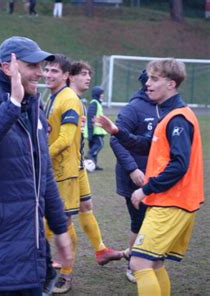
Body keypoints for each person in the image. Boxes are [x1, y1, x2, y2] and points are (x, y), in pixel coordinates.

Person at [0, 36, 72, 295]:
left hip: (30, 245)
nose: (40, 73)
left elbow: (43, 173)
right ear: (7, 67)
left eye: (42, 66)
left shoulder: (34, 108)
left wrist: (59, 228)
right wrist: (11, 105)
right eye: (32, 65)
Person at [95, 58, 204, 296]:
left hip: (173, 202)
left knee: (140, 263)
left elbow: (179, 165)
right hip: (171, 202)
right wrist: (117, 131)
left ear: (172, 84)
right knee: (154, 263)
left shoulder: (178, 118)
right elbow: (148, 146)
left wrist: (146, 189)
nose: (148, 84)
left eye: (155, 79)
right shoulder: (170, 116)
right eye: (149, 79)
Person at [43, 57, 122, 294]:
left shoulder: (67, 99)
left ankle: (65, 274)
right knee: (70, 214)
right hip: (67, 168)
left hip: (65, 170)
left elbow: (65, 140)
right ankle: (92, 251)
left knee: (65, 220)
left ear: (65, 74)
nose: (47, 74)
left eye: (53, 71)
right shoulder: (55, 96)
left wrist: (40, 157)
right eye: (46, 70)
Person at [109, 70, 157, 283]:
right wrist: (132, 169)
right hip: (136, 177)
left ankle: (149, 260)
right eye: (152, 79)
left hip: (159, 177)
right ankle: (133, 265)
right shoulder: (134, 108)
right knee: (139, 222)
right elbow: (116, 139)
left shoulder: (168, 107)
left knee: (155, 222)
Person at [86, 85, 106, 170]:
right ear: (97, 94)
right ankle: (89, 155)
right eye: (101, 94)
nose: (103, 95)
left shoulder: (97, 103)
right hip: (95, 131)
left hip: (97, 130)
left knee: (94, 147)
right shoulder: (94, 103)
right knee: (99, 145)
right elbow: (90, 118)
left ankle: (94, 164)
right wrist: (90, 133)